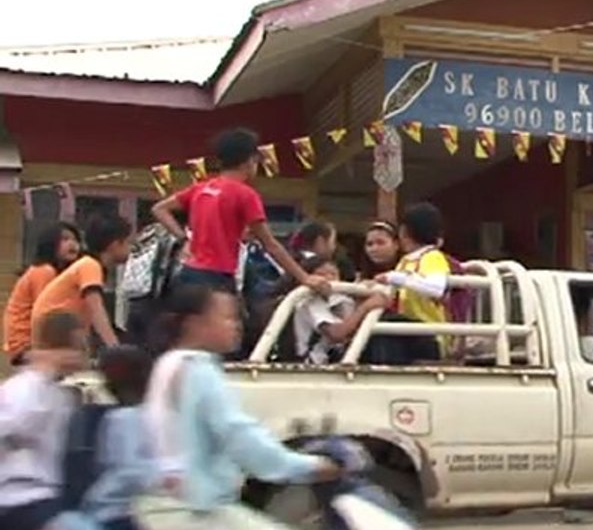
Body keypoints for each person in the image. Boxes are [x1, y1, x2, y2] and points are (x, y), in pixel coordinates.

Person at [132, 284, 341, 530]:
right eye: (227, 317)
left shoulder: (170, 363)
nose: (236, 324)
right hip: (184, 510)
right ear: (195, 324)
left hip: (172, 502)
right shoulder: (199, 370)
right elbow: (240, 437)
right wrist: (310, 466)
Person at [0, 311, 104, 530]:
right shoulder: (26, 387)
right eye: (79, 347)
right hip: (19, 496)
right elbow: (10, 424)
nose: (83, 356)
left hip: (39, 497)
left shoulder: (54, 391)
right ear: (63, 348)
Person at [151, 127, 328, 296]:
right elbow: (270, 244)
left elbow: (159, 209)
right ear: (249, 161)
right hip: (217, 276)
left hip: (189, 273)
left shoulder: (200, 188)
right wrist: (304, 278)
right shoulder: (245, 195)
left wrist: (184, 239)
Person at [82, 345, 157, 530]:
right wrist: (170, 477)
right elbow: (131, 469)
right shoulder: (127, 419)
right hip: (114, 510)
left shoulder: (125, 416)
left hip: (123, 506)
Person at [32, 215, 132, 349]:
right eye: (127, 242)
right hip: (56, 333)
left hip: (59, 332)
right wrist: (115, 348)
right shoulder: (90, 266)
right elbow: (96, 309)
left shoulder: (89, 265)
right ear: (115, 244)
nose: (131, 248)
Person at [4, 222, 82, 365]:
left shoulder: (56, 273)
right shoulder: (44, 271)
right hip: (26, 343)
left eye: (75, 240)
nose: (72, 244)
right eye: (65, 239)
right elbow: (46, 313)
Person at [293, 256, 391, 364]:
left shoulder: (342, 299)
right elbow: (337, 334)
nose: (328, 278)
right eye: (321, 274)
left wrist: (364, 293)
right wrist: (365, 307)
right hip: (316, 364)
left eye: (333, 274)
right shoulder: (308, 302)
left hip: (344, 357)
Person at [377, 203, 451, 327]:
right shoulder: (405, 261)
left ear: (405, 231)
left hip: (429, 334)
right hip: (407, 330)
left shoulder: (432, 256)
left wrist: (397, 278)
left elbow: (436, 288)